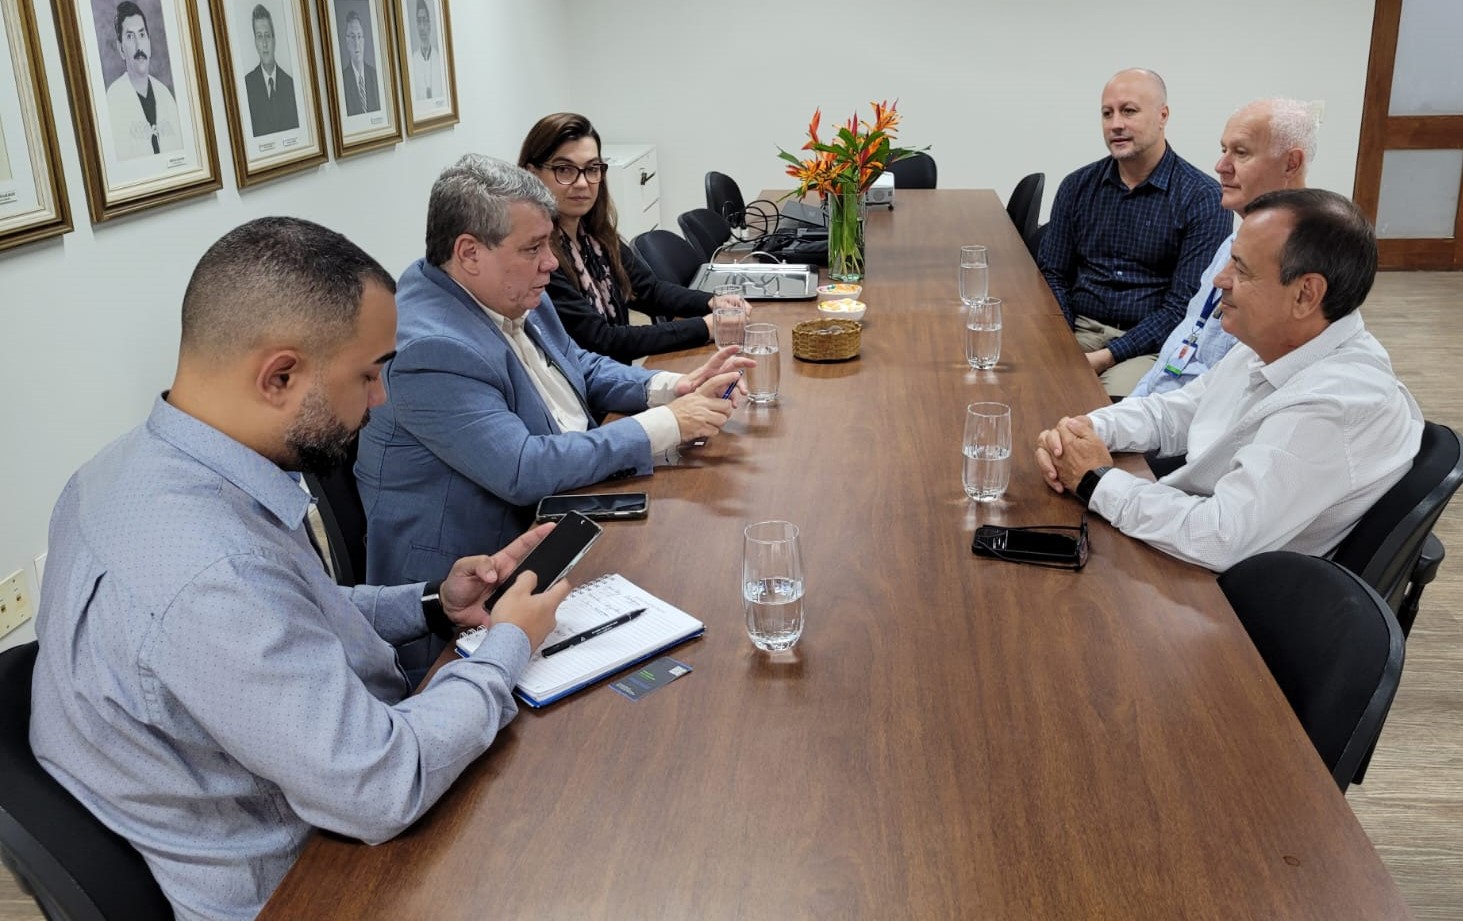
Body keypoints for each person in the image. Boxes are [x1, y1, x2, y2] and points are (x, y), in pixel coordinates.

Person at [28, 216, 568, 921]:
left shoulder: (120, 473)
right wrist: (508, 646)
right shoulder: (212, 568)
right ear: (280, 376)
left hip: (301, 803)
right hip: (309, 881)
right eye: (369, 373)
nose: (380, 399)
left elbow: (287, 611)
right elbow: (382, 785)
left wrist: (433, 600)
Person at [355, 155, 752, 589]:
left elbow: (574, 363)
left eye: (548, 244)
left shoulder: (509, 284)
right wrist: (669, 423)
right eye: (533, 248)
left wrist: (672, 387)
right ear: (469, 252)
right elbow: (524, 469)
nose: (552, 263)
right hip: (476, 580)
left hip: (564, 511)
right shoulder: (430, 350)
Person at [1035, 189, 1423, 573]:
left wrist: (1095, 480)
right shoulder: (1280, 340)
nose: (1220, 278)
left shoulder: (1335, 404)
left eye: (1241, 268)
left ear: (1305, 294)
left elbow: (1219, 536)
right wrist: (1085, 431)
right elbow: (1179, 411)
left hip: (1229, 596)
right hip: (1191, 539)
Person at [1038, 67, 1231, 397]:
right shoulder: (1077, 186)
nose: (1116, 124)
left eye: (1129, 111)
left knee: (1103, 413)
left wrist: (1107, 356)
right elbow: (1052, 273)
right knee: (1019, 384)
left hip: (1149, 342)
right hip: (1077, 325)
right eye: (1107, 113)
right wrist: (1062, 339)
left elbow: (1183, 308)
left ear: (1162, 116)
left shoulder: (1204, 198)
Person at [517, 113, 749, 363]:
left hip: (618, 379)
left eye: (592, 169)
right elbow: (603, 340)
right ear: (532, 174)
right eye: (564, 170)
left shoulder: (593, 235)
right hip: (591, 395)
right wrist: (705, 328)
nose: (583, 182)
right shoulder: (540, 257)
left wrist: (714, 302)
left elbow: (649, 290)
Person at [1131, 98, 1315, 398]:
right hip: (1159, 415)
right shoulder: (1235, 242)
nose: (1221, 166)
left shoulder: (1298, 265)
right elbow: (1179, 347)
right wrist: (1124, 413)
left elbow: (1226, 404)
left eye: (1241, 153)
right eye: (1223, 150)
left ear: (1291, 163)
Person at [104, 1, 183, 159]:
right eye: (130, 36)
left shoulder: (165, 95)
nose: (139, 45)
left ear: (149, 43)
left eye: (141, 35)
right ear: (121, 49)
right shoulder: (112, 100)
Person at [243, 4, 300, 136]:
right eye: (259, 36)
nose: (264, 44)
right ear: (255, 42)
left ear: (274, 40)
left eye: (267, 36)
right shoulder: (247, 86)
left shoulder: (291, 85)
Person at [340, 9, 379, 115]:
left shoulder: (375, 76)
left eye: (359, 36)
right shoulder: (341, 81)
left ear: (364, 40)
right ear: (347, 42)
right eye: (352, 37)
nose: (356, 43)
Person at [409, 0, 443, 101]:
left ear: (429, 24)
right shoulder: (413, 60)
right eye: (419, 21)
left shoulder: (439, 58)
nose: (422, 27)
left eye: (425, 20)